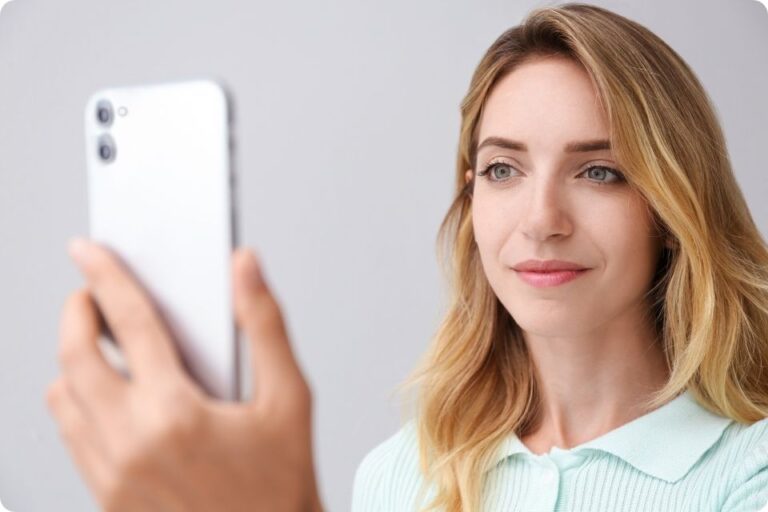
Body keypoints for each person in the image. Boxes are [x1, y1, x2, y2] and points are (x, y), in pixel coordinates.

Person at [45, 3, 768, 512]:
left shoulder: (749, 471)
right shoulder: (403, 476)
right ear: (470, 203)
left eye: (599, 172)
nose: (542, 221)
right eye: (503, 170)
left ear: (674, 210)